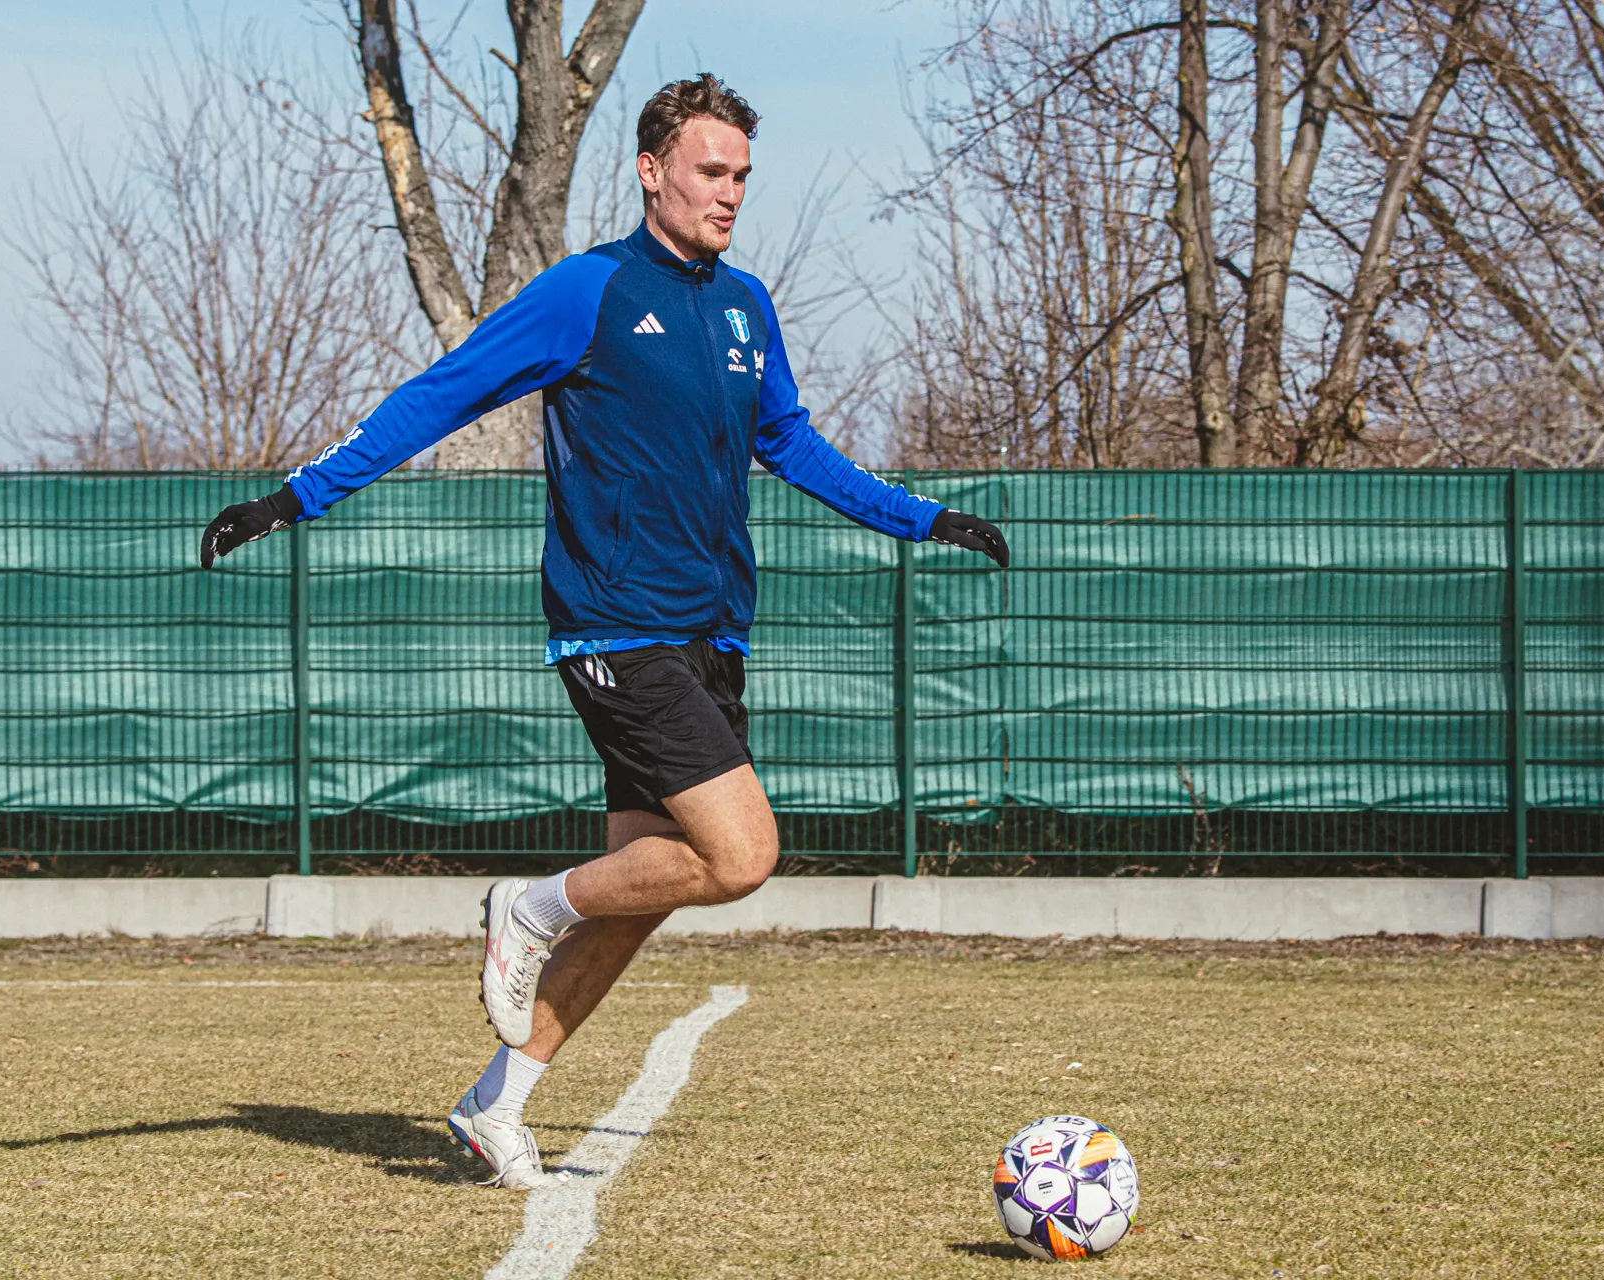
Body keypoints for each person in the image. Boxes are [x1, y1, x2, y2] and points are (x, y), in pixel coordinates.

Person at [200, 73, 1008, 1188]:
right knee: (741, 855)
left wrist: (924, 519)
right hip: (617, 626)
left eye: (741, 176)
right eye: (711, 171)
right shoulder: (588, 290)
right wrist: (294, 498)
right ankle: (527, 904)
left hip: (714, 633)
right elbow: (442, 394)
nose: (729, 193)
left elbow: (792, 443)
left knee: (651, 882)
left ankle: (496, 1102)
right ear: (651, 170)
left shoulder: (744, 305)